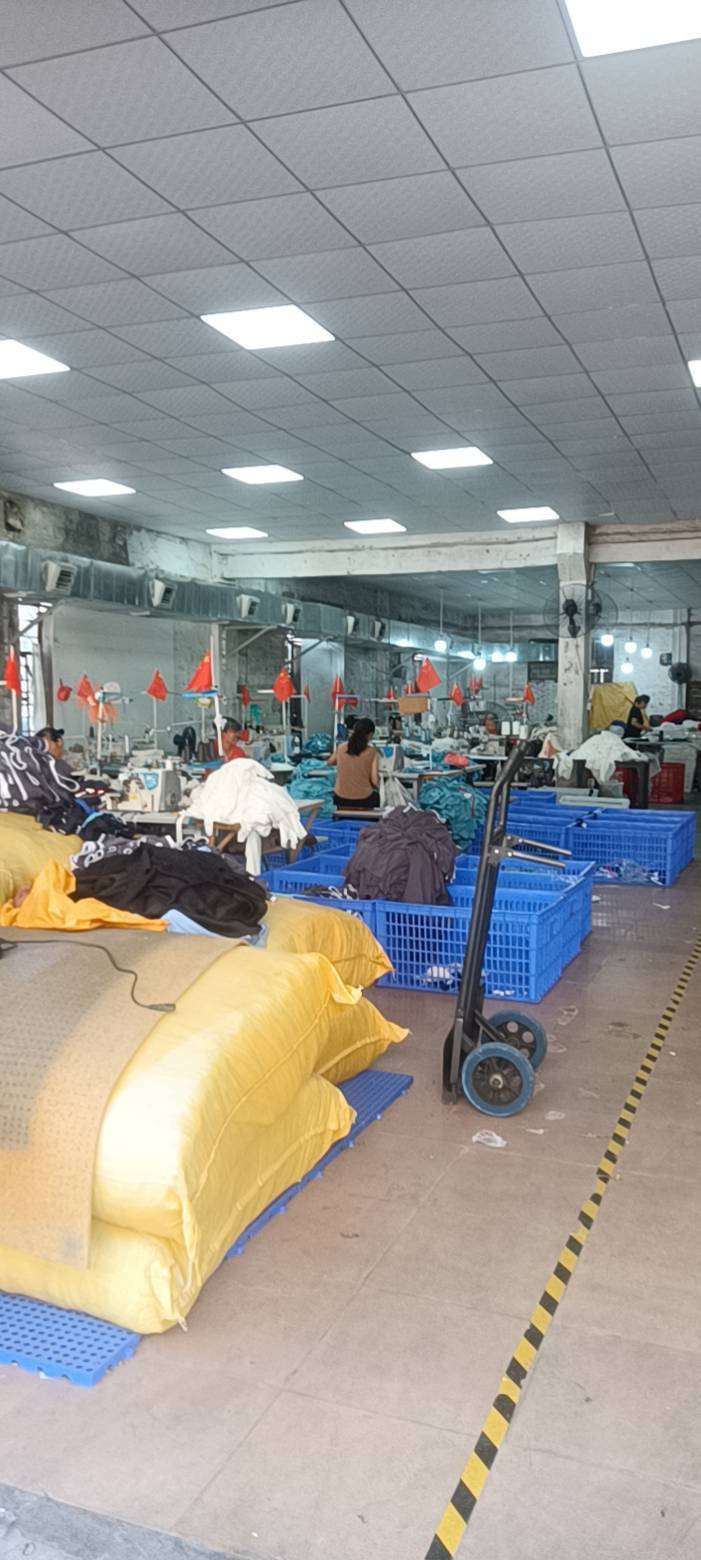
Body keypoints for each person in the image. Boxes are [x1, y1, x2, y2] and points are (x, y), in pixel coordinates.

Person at [328, 716, 380, 810]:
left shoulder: (341, 747)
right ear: (370, 734)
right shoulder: (372, 752)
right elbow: (375, 781)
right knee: (377, 796)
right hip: (364, 799)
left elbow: (330, 762)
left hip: (340, 798)